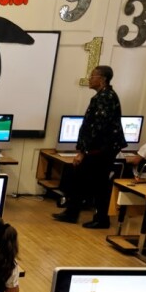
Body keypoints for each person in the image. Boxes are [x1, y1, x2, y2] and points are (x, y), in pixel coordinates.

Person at [54, 65, 127, 229]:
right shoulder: (103, 96)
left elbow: (97, 128)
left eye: (92, 76)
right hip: (98, 148)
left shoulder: (105, 97)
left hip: (101, 150)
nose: (89, 78)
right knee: (79, 178)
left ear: (102, 79)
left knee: (99, 184)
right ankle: (71, 213)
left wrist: (83, 151)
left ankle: (101, 219)